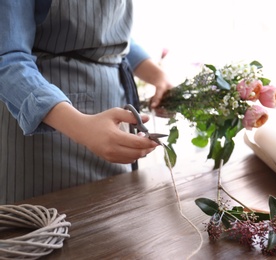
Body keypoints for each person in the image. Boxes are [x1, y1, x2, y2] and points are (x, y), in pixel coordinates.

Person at [0, 0, 173, 204]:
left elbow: (105, 32)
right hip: (48, 133)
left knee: (115, 221)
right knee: (50, 225)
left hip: (112, 113)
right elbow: (8, 57)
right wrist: (82, 128)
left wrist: (157, 75)